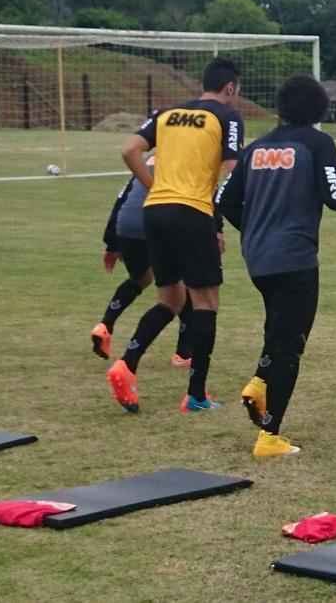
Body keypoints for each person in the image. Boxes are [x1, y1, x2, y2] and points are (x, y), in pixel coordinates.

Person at [217, 75, 336, 458]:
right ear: (319, 109)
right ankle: (269, 436)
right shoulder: (317, 143)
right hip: (295, 257)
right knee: (291, 344)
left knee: (278, 326)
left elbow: (225, 200)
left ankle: (259, 382)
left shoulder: (255, 149)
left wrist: (254, 229)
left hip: (257, 257)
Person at [106, 57, 244, 414]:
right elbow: (229, 173)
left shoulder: (167, 113)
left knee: (170, 298)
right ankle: (196, 395)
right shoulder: (227, 117)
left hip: (156, 212)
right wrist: (217, 224)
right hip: (193, 211)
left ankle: (126, 364)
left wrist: (154, 187)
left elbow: (129, 149)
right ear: (230, 88)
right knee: (206, 302)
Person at [91, 152, 193, 368]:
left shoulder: (148, 158)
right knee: (181, 287)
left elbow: (122, 197)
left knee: (140, 278)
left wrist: (112, 244)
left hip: (126, 225)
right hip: (157, 223)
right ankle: (183, 354)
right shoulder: (186, 154)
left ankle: (105, 325)